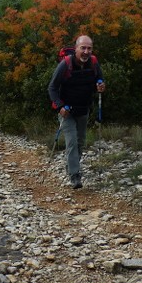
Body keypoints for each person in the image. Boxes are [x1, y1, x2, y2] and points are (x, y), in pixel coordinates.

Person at [48, 35, 105, 189]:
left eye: (89, 48)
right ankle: (75, 175)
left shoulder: (93, 62)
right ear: (76, 49)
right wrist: (60, 106)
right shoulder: (65, 65)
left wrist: (100, 85)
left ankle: (71, 166)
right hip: (67, 111)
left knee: (80, 142)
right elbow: (52, 88)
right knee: (72, 142)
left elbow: (99, 79)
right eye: (83, 48)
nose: (86, 51)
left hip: (83, 109)